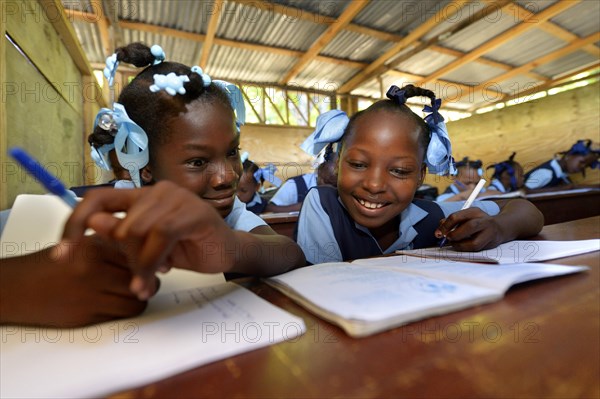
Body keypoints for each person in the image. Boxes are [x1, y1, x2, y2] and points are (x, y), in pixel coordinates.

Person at [62, 42, 305, 299]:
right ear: (144, 167)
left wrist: (230, 248)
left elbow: (290, 254)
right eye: (198, 162)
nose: (228, 176)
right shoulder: (113, 213)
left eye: (232, 152)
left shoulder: (225, 209)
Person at [295, 84, 544, 265]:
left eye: (400, 171)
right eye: (358, 164)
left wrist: (499, 228)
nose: (374, 184)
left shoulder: (430, 216)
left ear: (421, 176)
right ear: (338, 164)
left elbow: (527, 210)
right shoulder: (323, 206)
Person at [524, 139, 599, 190]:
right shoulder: (546, 173)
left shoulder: (562, 176)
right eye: (582, 162)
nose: (583, 167)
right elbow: (524, 192)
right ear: (569, 155)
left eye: (586, 166)